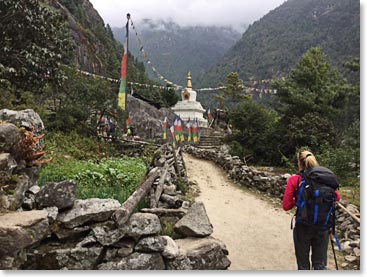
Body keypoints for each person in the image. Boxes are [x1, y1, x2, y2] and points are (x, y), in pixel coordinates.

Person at [282, 150, 340, 270]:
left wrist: (298, 200)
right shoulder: (324, 178)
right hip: (323, 225)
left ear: (299, 162)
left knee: (303, 265)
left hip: (303, 224)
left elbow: (286, 206)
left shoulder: (295, 179)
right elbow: (337, 198)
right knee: (320, 265)